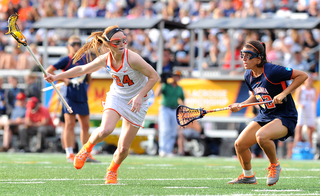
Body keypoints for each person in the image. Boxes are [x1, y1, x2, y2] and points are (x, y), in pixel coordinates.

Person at [44, 25, 159, 184]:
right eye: (117, 42)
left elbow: (154, 76)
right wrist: (56, 76)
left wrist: (140, 96)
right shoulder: (106, 59)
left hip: (139, 100)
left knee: (124, 148)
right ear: (108, 44)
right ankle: (86, 149)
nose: (122, 44)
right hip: (118, 96)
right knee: (106, 129)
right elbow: (82, 68)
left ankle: (112, 170)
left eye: (124, 41)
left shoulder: (132, 58)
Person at [227, 40, 308, 186]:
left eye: (248, 55)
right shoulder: (248, 75)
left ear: (259, 58)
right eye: (242, 55)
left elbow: (302, 75)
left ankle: (274, 165)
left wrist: (283, 94)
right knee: (240, 144)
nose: (244, 59)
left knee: (261, 136)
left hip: (285, 115)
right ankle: (248, 176)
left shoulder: (272, 70)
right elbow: (256, 95)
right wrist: (241, 105)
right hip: (265, 115)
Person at [45, 35, 97, 163]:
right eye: (73, 44)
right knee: (69, 125)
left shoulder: (85, 60)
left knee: (85, 126)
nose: (76, 46)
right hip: (69, 95)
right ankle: (69, 154)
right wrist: (64, 79)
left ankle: (85, 154)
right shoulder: (66, 60)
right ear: (68, 46)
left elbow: (88, 77)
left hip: (81, 95)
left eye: (78, 44)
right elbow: (48, 71)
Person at [155, 70, 185, 157]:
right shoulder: (166, 85)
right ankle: (162, 150)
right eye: (175, 75)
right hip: (165, 109)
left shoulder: (179, 88)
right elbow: (157, 94)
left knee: (173, 131)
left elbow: (182, 100)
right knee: (165, 130)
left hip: (174, 110)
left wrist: (183, 111)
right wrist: (161, 83)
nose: (176, 77)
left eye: (178, 76)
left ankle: (169, 150)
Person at [293, 75, 316, 148]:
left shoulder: (313, 90)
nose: (309, 82)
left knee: (310, 133)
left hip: (310, 111)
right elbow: (296, 101)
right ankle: (295, 149)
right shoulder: (301, 89)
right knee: (298, 132)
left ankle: (310, 150)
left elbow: (314, 101)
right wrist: (301, 105)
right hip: (302, 110)